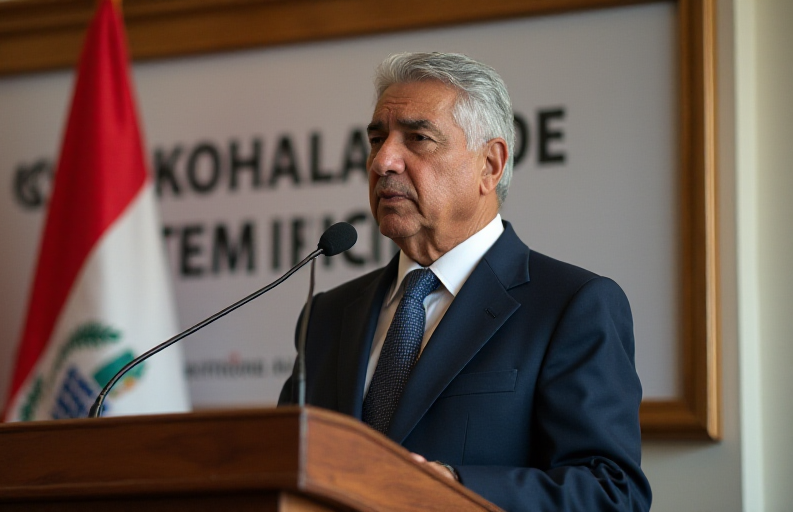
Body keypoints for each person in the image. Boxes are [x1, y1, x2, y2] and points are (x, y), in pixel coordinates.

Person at [278, 52, 651, 511]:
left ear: (490, 165)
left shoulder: (573, 306)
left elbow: (611, 492)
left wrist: (454, 487)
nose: (383, 162)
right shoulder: (328, 314)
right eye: (377, 139)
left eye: (418, 138)